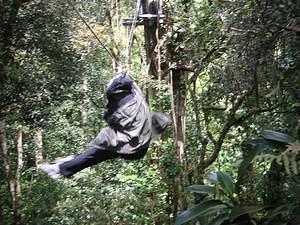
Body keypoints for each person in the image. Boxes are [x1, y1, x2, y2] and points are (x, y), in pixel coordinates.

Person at [40, 71, 171, 180]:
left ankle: (61, 166)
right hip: (134, 149)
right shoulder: (138, 103)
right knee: (93, 156)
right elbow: (134, 89)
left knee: (94, 154)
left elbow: (110, 118)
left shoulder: (131, 107)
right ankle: (65, 164)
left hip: (128, 145)